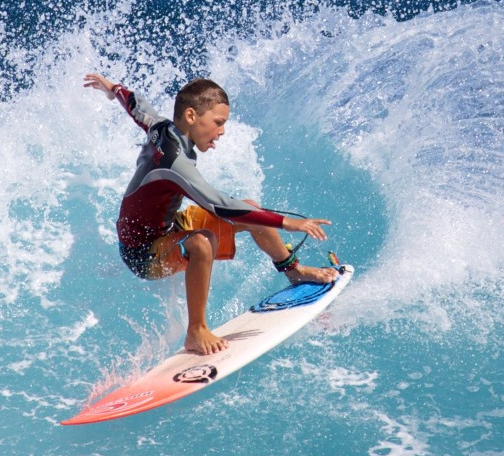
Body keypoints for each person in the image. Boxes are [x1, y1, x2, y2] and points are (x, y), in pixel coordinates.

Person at [84, 73, 338, 355]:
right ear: (191, 116)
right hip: (142, 253)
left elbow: (138, 107)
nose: (222, 131)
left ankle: (294, 271)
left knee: (250, 207)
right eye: (218, 122)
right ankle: (196, 331)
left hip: (167, 228)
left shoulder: (162, 127)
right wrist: (287, 222)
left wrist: (114, 89)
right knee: (201, 242)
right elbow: (219, 205)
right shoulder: (173, 162)